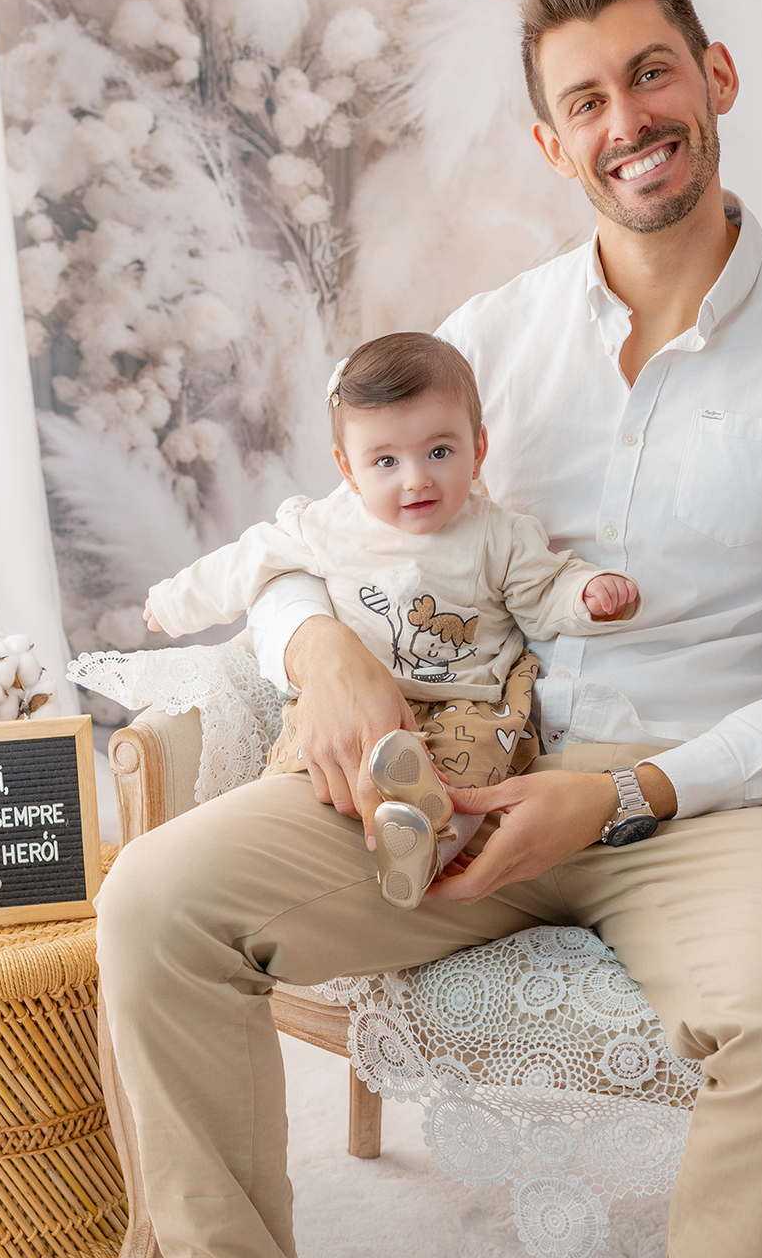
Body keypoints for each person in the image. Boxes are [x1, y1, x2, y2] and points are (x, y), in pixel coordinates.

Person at [97, 0, 762, 1258]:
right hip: (457, 776)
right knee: (155, 900)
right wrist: (317, 647)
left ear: (716, 78)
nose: (630, 121)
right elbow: (323, 534)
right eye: (587, 100)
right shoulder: (489, 336)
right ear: (553, 143)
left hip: (710, 803)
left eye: (652, 74)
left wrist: (624, 798)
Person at [140, 329, 637, 906]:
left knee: (468, 779)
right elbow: (244, 564)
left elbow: (543, 592)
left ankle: (425, 849)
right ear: (348, 469)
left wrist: (585, 595)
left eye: (439, 452)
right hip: (354, 702)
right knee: (306, 763)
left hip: (465, 702)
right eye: (386, 461)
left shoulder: (498, 536)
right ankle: (369, 820)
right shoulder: (326, 528)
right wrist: (173, 602)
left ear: (478, 449)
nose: (416, 478)